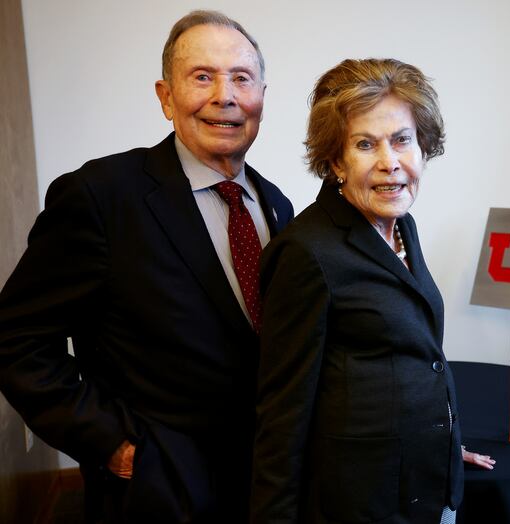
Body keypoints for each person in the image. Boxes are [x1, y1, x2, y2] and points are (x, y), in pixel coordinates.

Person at [0, 10, 293, 523]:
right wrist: (111, 443)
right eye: (202, 76)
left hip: (263, 485)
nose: (224, 95)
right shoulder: (101, 196)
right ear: (165, 96)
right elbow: (16, 340)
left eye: (241, 79)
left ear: (262, 98)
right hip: (158, 493)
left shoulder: (277, 206)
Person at [250, 58, 493, 524]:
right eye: (365, 144)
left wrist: (441, 442)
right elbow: (283, 415)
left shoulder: (403, 225)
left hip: (426, 482)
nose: (390, 162)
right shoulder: (306, 253)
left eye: (402, 140)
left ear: (422, 147)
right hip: (364, 503)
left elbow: (409, 358)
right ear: (336, 161)